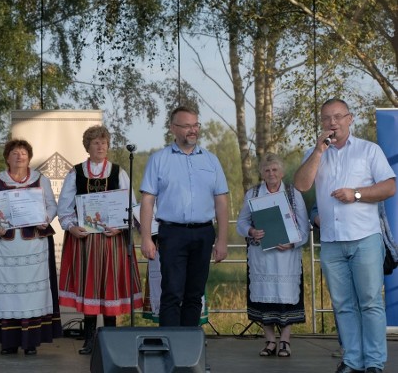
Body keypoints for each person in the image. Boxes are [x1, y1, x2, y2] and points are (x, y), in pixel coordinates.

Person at [293, 98, 395, 373]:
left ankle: (374, 362)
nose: (332, 123)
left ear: (350, 119)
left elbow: (389, 187)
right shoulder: (314, 153)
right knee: (343, 305)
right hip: (331, 242)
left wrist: (357, 194)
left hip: (365, 239)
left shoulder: (368, 150)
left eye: (338, 117)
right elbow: (301, 185)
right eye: (326, 118)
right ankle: (351, 361)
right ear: (321, 123)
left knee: (370, 302)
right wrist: (317, 152)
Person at [139, 105, 229, 327]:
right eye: (187, 125)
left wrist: (223, 240)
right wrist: (145, 238)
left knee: (194, 294)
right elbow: (148, 201)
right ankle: (170, 347)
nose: (193, 130)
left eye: (196, 125)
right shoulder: (158, 159)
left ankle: (189, 349)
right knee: (171, 292)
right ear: (173, 128)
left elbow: (221, 201)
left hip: (204, 233)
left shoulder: (211, 160)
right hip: (172, 233)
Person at [57, 125, 142, 355]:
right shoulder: (76, 173)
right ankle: (90, 339)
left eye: (104, 142)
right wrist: (72, 227)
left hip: (111, 240)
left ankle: (111, 340)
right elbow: (64, 208)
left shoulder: (118, 172)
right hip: (85, 241)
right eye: (96, 142)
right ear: (88, 146)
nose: (101, 146)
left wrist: (120, 227)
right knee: (90, 285)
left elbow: (131, 207)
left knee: (110, 286)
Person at [0, 139, 62, 356]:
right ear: (7, 157)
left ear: (29, 157)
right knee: (7, 296)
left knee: (32, 296)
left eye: (23, 153)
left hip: (33, 246)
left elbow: (52, 206)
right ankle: (8, 342)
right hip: (5, 248)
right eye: (15, 153)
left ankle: (30, 342)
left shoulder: (40, 180)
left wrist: (45, 218)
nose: (19, 156)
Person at [236, 154, 309, 358]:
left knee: (287, 300)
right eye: (267, 170)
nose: (271, 174)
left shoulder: (294, 194)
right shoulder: (253, 193)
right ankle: (269, 341)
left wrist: (293, 242)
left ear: (282, 172)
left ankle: (285, 340)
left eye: (275, 170)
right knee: (263, 299)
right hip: (262, 256)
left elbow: (304, 227)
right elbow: (241, 223)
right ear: (261, 173)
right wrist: (251, 231)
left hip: (287, 257)